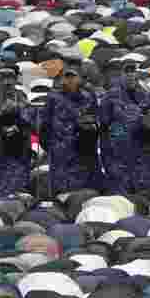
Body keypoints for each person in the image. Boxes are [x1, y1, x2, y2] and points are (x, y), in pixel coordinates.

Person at [42, 60, 104, 197]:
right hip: (61, 154)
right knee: (62, 193)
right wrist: (53, 146)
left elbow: (96, 120)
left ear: (80, 78)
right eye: (67, 77)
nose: (70, 80)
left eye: (73, 77)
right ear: (62, 79)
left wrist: (89, 132)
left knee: (86, 192)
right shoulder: (53, 97)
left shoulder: (89, 96)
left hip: (84, 151)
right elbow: (44, 125)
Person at [100, 61, 150, 194]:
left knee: (144, 189)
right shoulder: (111, 95)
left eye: (133, 72)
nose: (130, 76)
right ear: (120, 75)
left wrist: (149, 125)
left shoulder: (145, 94)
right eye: (127, 72)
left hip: (143, 151)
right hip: (119, 151)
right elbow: (105, 124)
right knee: (121, 187)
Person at [0, 68, 33, 197]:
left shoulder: (22, 98)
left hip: (16, 152)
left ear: (15, 80)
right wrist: (0, 115)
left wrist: (18, 112)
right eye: (3, 78)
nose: (7, 82)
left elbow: (31, 122)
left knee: (16, 191)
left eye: (10, 78)